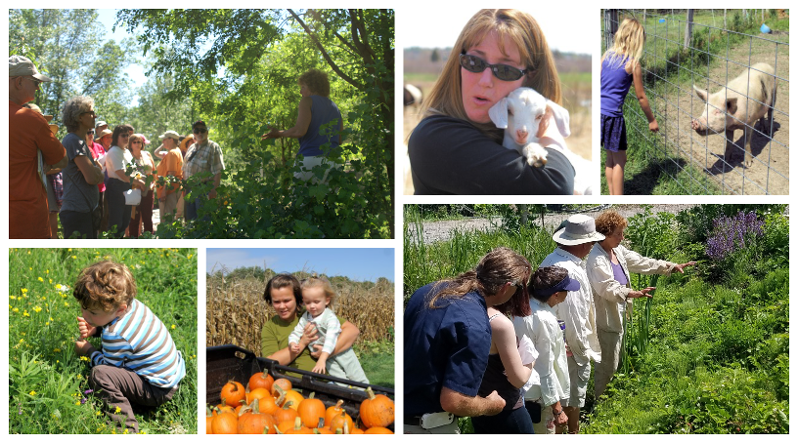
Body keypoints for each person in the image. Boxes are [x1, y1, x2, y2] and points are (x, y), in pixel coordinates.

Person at [408, 10, 574, 195]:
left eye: (505, 70)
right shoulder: (435, 138)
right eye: (474, 62)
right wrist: (549, 125)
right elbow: (555, 187)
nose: (485, 81)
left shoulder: (509, 137)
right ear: (459, 63)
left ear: (528, 78)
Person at [404, 247, 531, 433]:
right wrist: (490, 405)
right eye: (519, 287)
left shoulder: (427, 291)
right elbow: (454, 401)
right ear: (506, 288)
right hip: (429, 427)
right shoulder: (476, 325)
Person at [587, 210, 696, 399]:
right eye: (618, 234)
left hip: (619, 312)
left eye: (622, 233)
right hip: (605, 317)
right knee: (607, 366)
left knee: (616, 359)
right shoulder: (596, 259)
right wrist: (630, 293)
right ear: (605, 235)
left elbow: (641, 262)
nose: (622, 237)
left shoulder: (616, 250)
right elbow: (607, 288)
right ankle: (599, 406)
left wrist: (669, 266)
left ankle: (610, 400)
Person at [73, 261, 185, 434]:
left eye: (93, 313)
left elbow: (109, 367)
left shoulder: (115, 334)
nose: (85, 315)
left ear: (119, 310)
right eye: (83, 308)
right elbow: (113, 323)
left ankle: (124, 428)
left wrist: (87, 350)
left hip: (156, 390)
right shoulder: (131, 306)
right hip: (169, 376)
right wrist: (96, 329)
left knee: (100, 375)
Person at [539, 215, 605, 433]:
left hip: (552, 344)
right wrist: (581, 352)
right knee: (570, 400)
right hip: (569, 352)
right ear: (584, 243)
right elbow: (574, 320)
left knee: (555, 399)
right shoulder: (570, 271)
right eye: (592, 242)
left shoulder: (551, 259)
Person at [513, 266, 580, 434]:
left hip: (520, 390)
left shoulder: (522, 307)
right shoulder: (545, 319)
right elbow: (544, 367)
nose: (568, 293)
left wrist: (556, 347)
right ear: (556, 294)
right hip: (539, 396)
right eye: (566, 290)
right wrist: (557, 408)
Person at [470, 263, 534, 434]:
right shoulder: (499, 323)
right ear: (507, 287)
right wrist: (530, 361)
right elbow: (518, 379)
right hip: (507, 409)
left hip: (478, 406)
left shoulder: (468, 311)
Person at [9, 55, 67, 238]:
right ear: (18, 82)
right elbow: (62, 159)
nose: (38, 87)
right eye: (35, 82)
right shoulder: (30, 118)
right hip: (24, 217)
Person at [600, 18, 659, 195]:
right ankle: (618, 199)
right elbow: (641, 96)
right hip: (613, 117)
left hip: (599, 114)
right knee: (620, 161)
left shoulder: (606, 56)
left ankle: (611, 196)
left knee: (610, 157)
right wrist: (652, 120)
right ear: (636, 41)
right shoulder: (632, 64)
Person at [261, 274, 361, 372]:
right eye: (277, 302)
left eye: (287, 300)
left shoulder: (312, 313)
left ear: (298, 299)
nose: (282, 306)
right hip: (292, 384)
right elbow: (270, 362)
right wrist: (302, 342)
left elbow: (352, 331)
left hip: (326, 381)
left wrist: (326, 353)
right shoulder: (270, 326)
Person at [262, 68, 343, 184]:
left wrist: (278, 133)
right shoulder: (335, 107)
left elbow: (299, 131)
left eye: (303, 87)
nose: (301, 92)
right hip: (335, 163)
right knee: (327, 201)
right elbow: (339, 140)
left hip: (311, 161)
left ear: (312, 87)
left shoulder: (307, 101)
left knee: (301, 201)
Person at [287, 277, 369, 383]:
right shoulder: (305, 317)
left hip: (341, 352)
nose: (312, 306)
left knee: (357, 377)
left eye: (316, 302)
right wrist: (293, 342)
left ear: (326, 300)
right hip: (326, 358)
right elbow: (296, 332)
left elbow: (331, 338)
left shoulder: (330, 317)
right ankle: (348, 398)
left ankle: (367, 397)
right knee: (339, 380)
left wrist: (322, 358)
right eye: (307, 302)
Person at [59, 96, 104, 239]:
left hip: (85, 212)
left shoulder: (80, 142)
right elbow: (92, 177)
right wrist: (97, 171)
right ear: (79, 117)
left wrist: (97, 171)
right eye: (90, 112)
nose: (94, 116)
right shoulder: (73, 141)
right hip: (76, 213)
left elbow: (99, 174)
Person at [104, 125, 143, 237]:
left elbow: (132, 170)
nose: (126, 137)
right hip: (116, 187)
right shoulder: (114, 151)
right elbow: (120, 173)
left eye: (127, 135)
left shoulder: (126, 151)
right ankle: (112, 250)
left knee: (125, 221)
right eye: (123, 135)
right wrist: (138, 182)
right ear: (116, 136)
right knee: (116, 223)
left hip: (126, 186)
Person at [182, 120, 224, 221]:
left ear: (207, 132)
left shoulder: (213, 147)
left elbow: (218, 171)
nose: (200, 133)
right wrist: (184, 187)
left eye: (202, 130)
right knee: (190, 220)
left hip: (204, 189)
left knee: (204, 220)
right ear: (194, 134)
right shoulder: (191, 147)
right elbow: (184, 168)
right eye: (197, 131)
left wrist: (213, 191)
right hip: (189, 189)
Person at [128, 134, 156, 237]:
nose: (137, 144)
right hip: (133, 190)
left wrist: (154, 182)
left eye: (139, 142)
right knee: (134, 218)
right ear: (130, 144)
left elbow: (153, 170)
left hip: (148, 190)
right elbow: (125, 174)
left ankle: (149, 240)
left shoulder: (147, 154)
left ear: (142, 144)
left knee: (147, 217)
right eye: (134, 142)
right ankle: (134, 243)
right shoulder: (127, 156)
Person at [155, 130, 184, 221]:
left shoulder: (172, 153)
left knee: (167, 220)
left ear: (171, 140)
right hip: (174, 189)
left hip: (170, 192)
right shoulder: (176, 151)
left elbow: (171, 174)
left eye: (164, 139)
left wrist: (164, 191)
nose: (162, 142)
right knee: (172, 219)